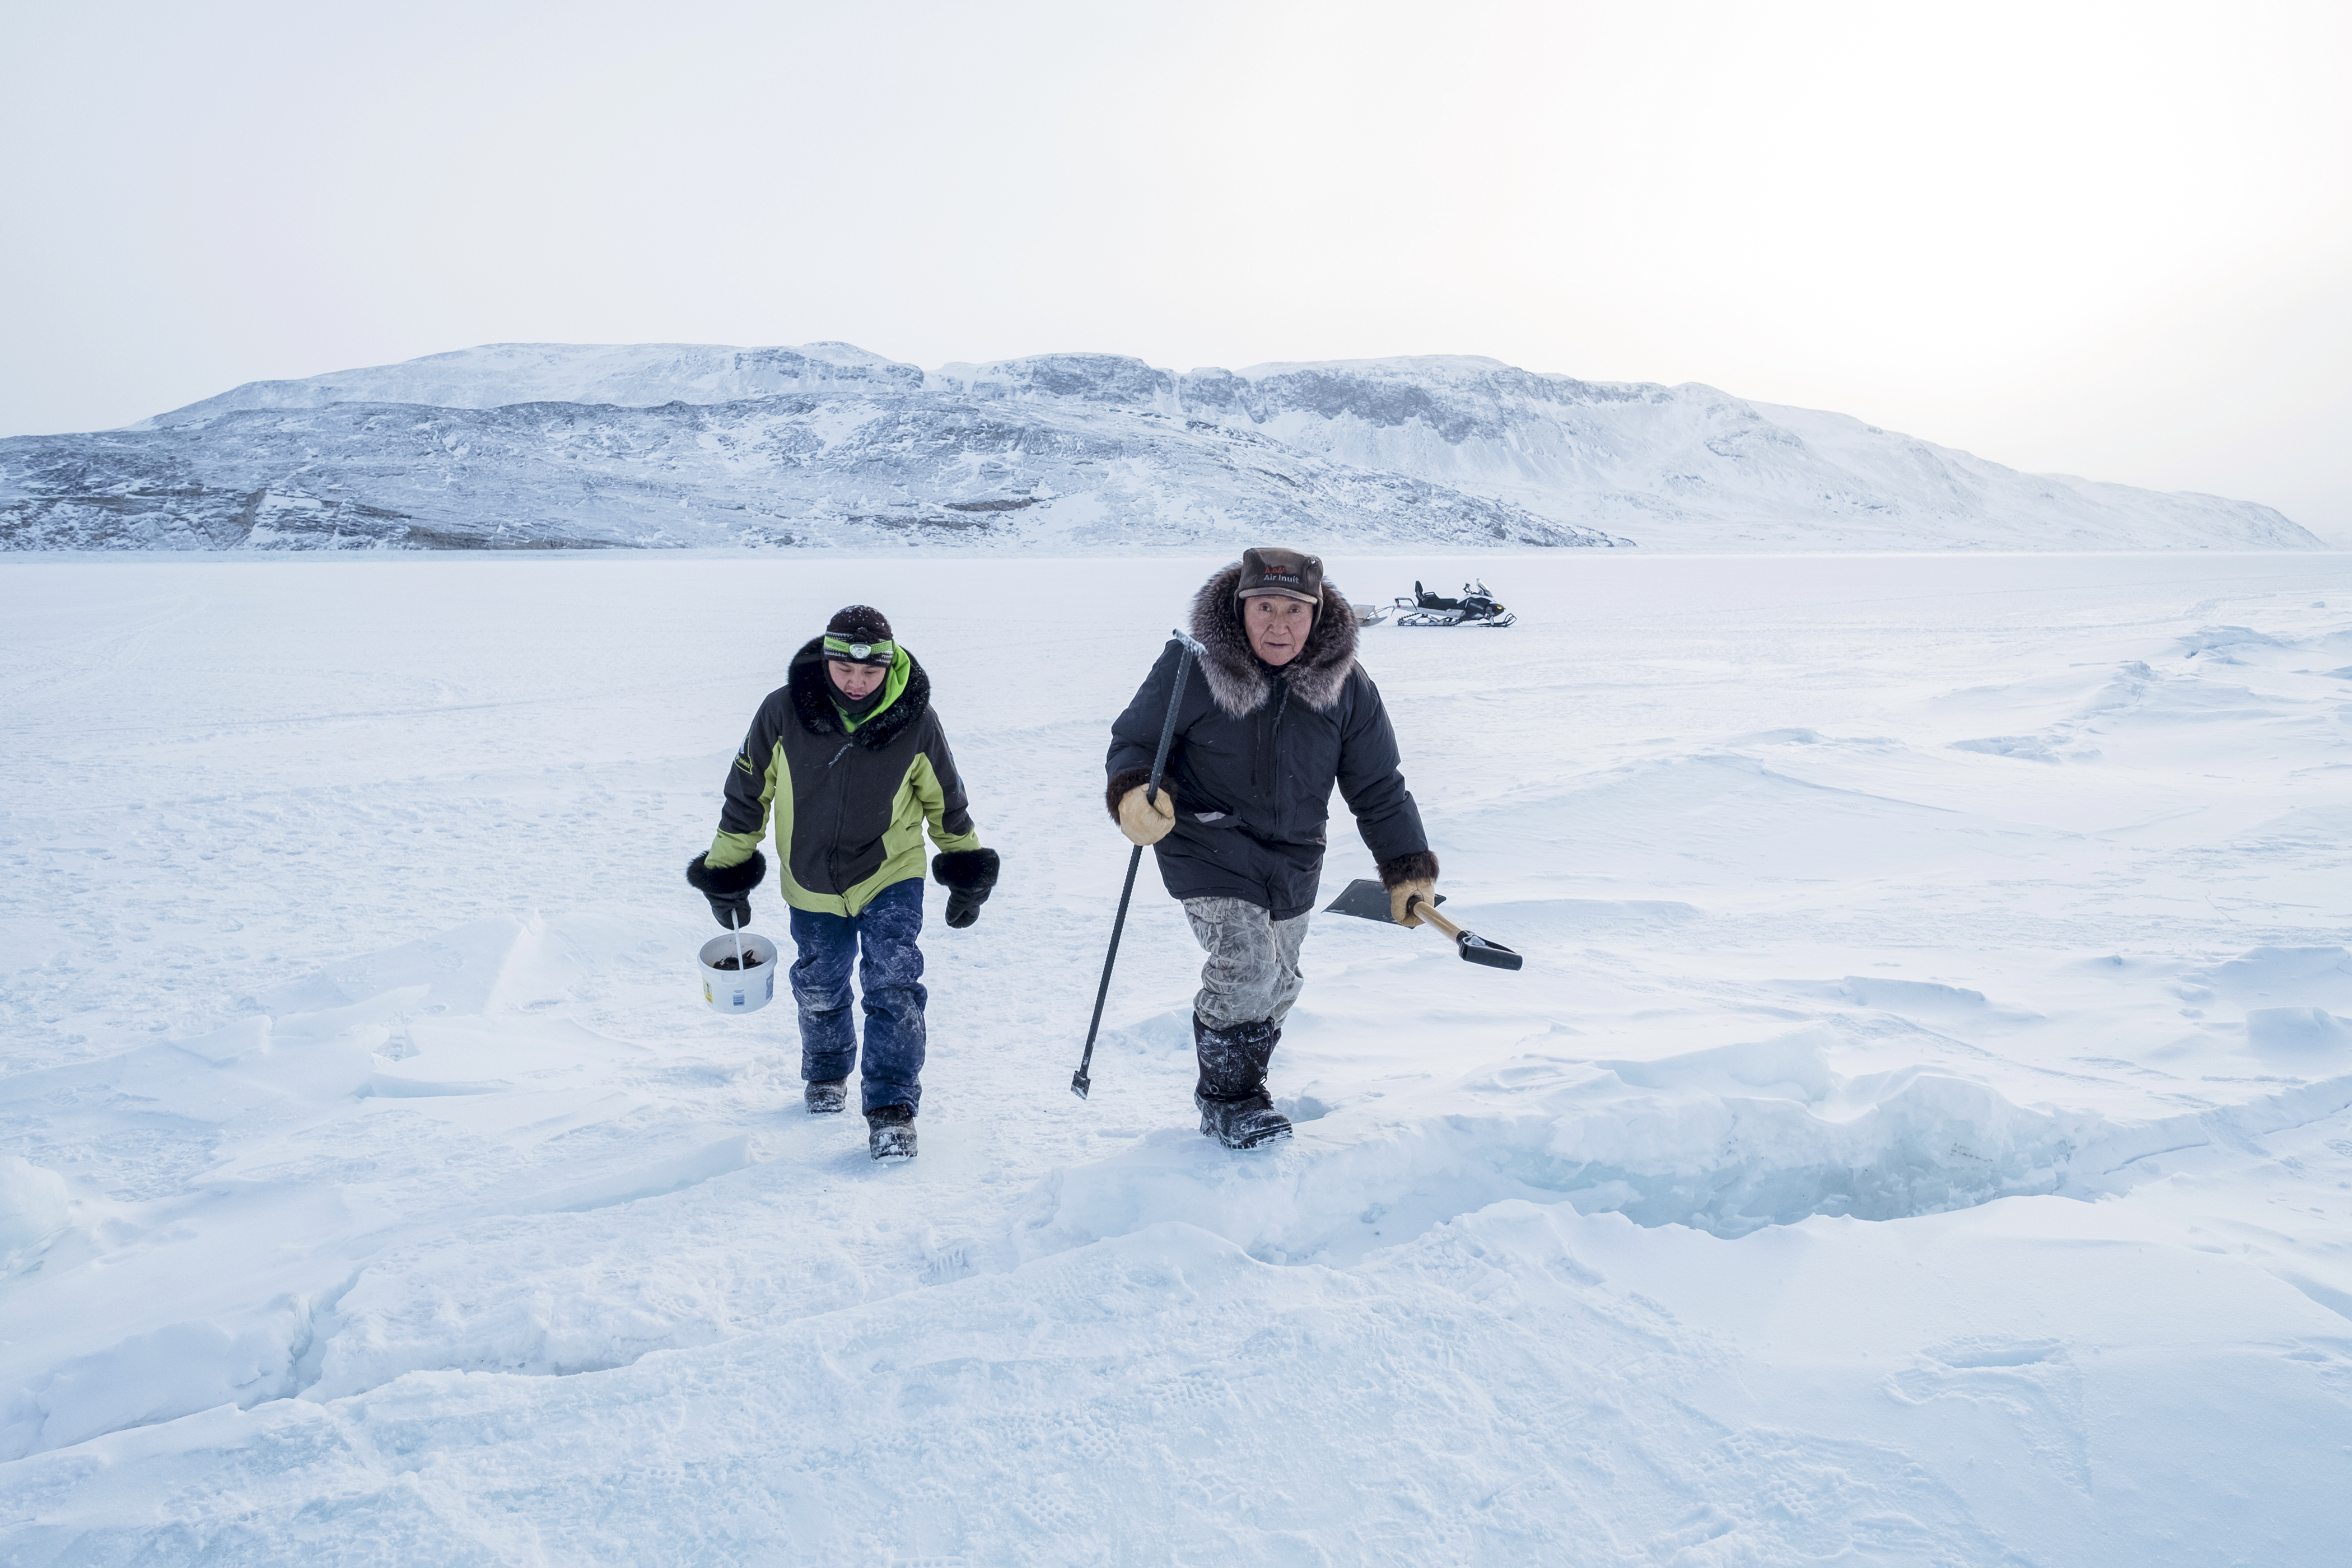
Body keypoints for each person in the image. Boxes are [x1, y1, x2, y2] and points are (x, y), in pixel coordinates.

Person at [1104, 548, 1438, 1149]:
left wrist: (1406, 867)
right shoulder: (1193, 665)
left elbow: (1379, 785)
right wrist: (1133, 792)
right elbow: (1136, 741)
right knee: (1248, 964)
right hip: (1206, 841)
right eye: (1265, 608)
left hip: (1295, 855)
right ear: (1241, 608)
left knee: (1281, 980)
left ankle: (1244, 1076)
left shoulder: (1347, 686)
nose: (1279, 625)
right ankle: (1229, 1100)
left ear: (1317, 616)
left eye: (1293, 610)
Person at [687, 605, 997, 1160]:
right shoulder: (783, 712)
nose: (856, 683)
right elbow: (747, 796)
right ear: (827, 660)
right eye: (844, 670)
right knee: (821, 984)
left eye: (870, 672)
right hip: (809, 879)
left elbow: (945, 801)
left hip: (891, 871)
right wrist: (727, 870)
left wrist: (964, 866)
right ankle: (828, 1071)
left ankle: (892, 1110)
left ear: (890, 665)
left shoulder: (916, 721)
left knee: (894, 983)